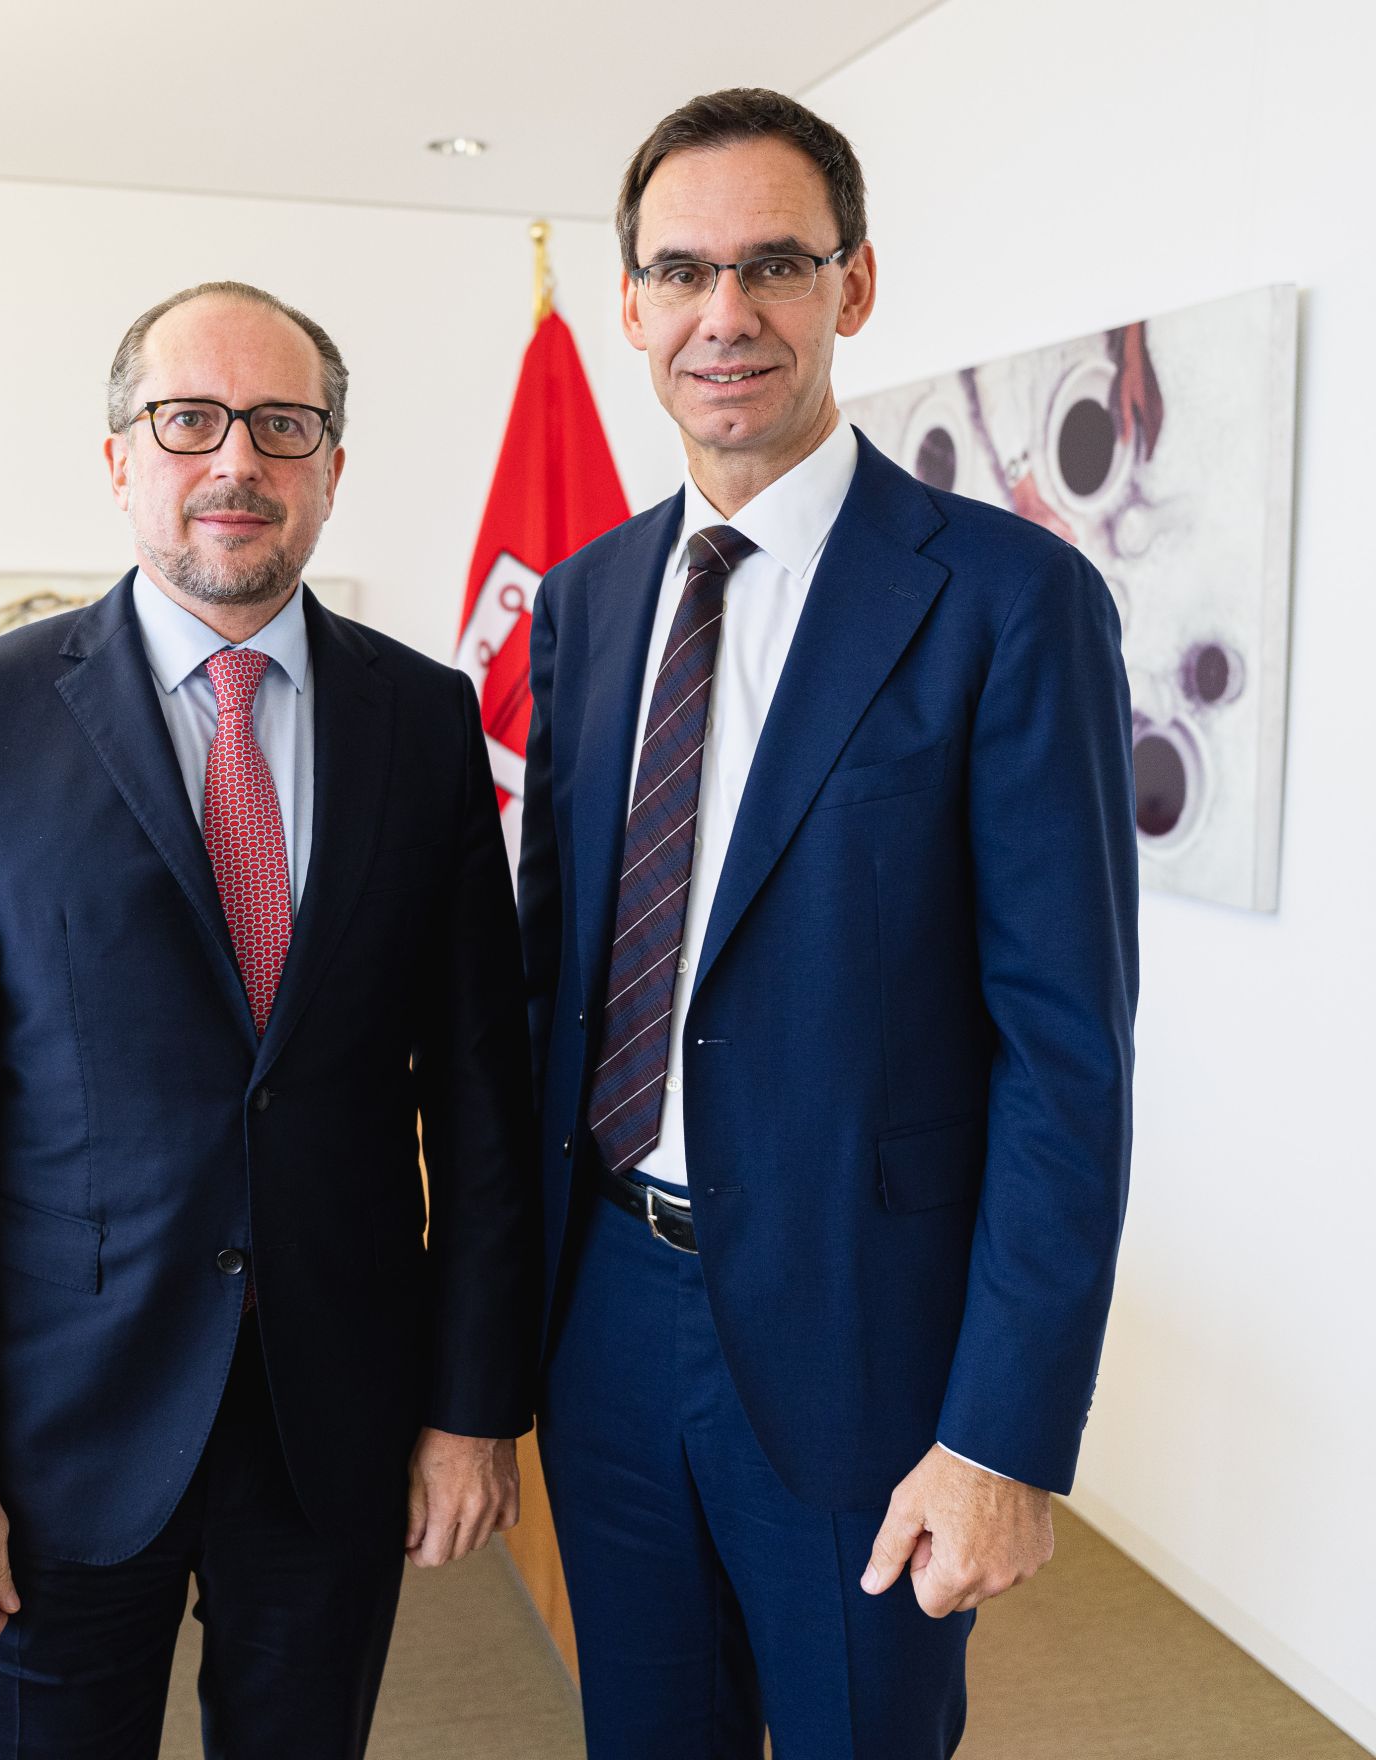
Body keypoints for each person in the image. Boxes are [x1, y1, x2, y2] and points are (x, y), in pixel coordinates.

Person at [0, 279, 538, 1759]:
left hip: (334, 1416)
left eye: (283, 426)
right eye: (189, 421)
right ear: (119, 460)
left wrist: (476, 1406)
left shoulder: (423, 721)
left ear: (332, 469)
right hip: (53, 1424)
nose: (237, 462)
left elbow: (481, 1097)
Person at [518, 89, 1138, 1759]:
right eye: (683, 272)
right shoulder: (585, 603)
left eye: (775, 265)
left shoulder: (1010, 601)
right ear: (631, 304)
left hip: (870, 1349)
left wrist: (1002, 1439)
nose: (725, 313)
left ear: (853, 285)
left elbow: (1065, 1059)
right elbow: (550, 986)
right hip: (605, 1326)